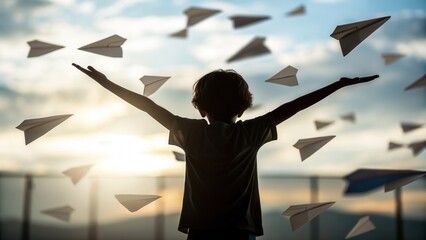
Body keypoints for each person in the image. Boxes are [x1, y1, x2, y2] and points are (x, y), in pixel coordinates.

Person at [72, 63, 378, 240]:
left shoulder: (189, 132)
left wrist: (107, 82)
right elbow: (292, 106)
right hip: (240, 231)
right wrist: (337, 85)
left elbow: (147, 106)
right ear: (244, 104)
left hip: (201, 230)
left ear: (199, 105)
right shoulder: (251, 132)